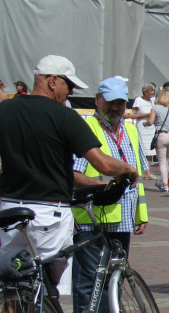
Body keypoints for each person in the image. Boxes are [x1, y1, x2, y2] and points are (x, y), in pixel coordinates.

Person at [0, 56, 137, 289]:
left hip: (8, 210)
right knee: (46, 293)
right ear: (53, 81)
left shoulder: (5, 109)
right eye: (69, 86)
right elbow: (102, 163)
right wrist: (127, 169)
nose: (70, 93)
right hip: (48, 214)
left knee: (12, 287)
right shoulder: (64, 115)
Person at [71, 77, 149, 313]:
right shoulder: (86, 127)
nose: (116, 107)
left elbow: (138, 174)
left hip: (122, 218)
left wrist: (142, 213)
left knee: (112, 278)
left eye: (121, 102)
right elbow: (75, 175)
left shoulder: (128, 130)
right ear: (97, 100)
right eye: (111, 101)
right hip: (92, 216)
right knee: (89, 278)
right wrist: (103, 184)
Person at [151, 84, 169, 192]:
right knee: (166, 160)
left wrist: (145, 124)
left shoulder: (155, 108)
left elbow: (151, 121)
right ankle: (164, 182)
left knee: (162, 161)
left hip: (161, 134)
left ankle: (164, 184)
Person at [129, 83, 157, 179]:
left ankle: (147, 172)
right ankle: (145, 171)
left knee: (150, 149)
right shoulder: (138, 100)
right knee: (143, 149)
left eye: (153, 91)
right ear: (145, 92)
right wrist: (148, 114)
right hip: (142, 126)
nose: (153, 93)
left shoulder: (153, 101)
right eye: (151, 91)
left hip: (151, 126)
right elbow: (134, 115)